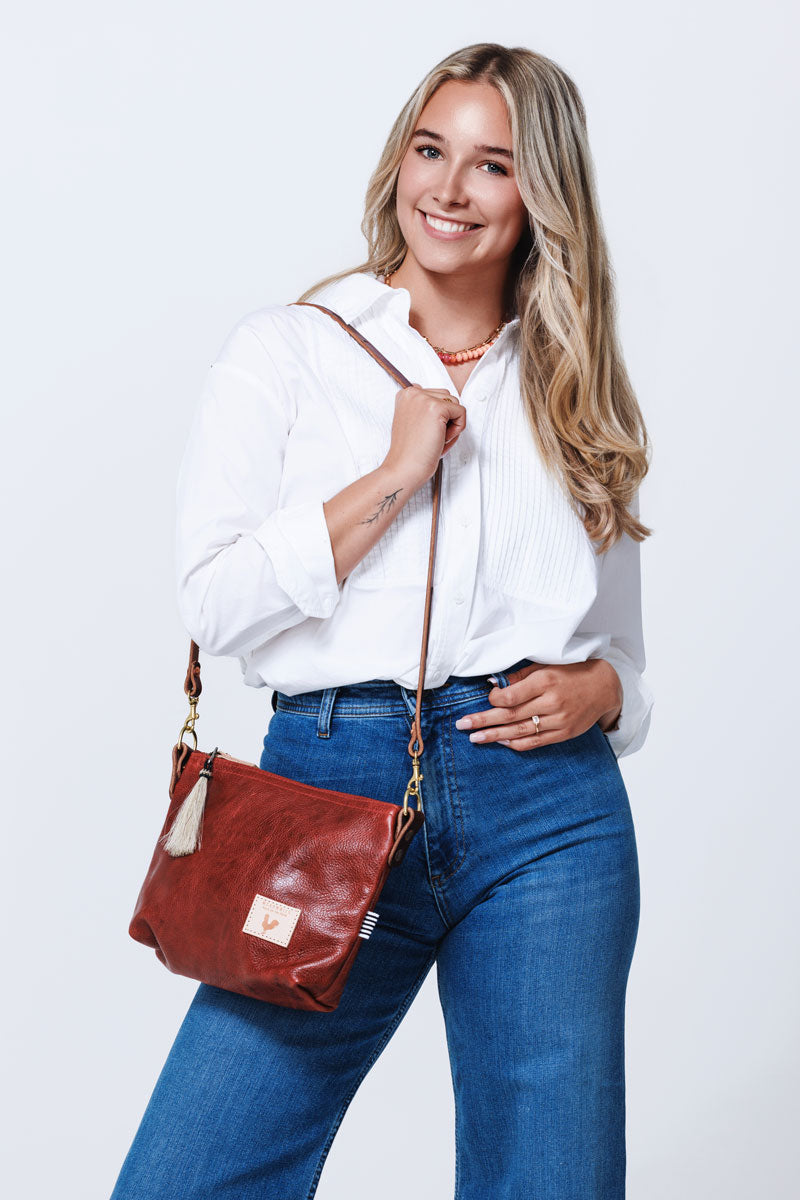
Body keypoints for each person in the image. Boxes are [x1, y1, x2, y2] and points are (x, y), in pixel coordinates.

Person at [111, 41, 654, 1200]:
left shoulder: (572, 385)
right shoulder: (290, 352)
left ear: (539, 194)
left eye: (491, 164)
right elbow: (213, 601)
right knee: (186, 1178)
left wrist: (604, 692)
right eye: (428, 149)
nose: (446, 190)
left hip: (547, 816)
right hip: (331, 781)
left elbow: (617, 655)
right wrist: (397, 472)